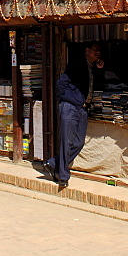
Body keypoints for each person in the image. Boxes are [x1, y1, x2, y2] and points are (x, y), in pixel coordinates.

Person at [40, 42, 105, 187]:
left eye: (99, 52)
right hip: (70, 107)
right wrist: (66, 99)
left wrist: (100, 69)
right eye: (96, 51)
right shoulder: (77, 64)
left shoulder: (91, 68)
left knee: (78, 142)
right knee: (66, 141)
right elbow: (61, 83)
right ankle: (63, 176)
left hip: (82, 108)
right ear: (87, 51)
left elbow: (98, 85)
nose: (98, 54)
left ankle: (53, 163)